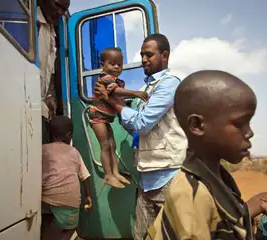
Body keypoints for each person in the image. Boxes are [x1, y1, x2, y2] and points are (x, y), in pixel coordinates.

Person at [146, 70, 267, 239]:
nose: (249, 133)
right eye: (239, 123)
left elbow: (217, 222)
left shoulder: (214, 177)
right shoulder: (191, 196)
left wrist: (253, 205)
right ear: (197, 125)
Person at [94, 34, 188, 239]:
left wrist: (112, 102)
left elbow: (142, 124)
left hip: (168, 178)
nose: (144, 59)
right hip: (146, 179)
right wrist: (114, 107)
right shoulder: (146, 89)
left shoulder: (169, 84)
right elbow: (134, 127)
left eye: (149, 55)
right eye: (142, 55)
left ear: (165, 55)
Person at [89, 47, 148, 189]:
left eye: (120, 64)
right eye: (112, 63)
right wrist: (135, 93)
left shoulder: (118, 81)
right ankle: (108, 175)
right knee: (105, 146)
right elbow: (116, 91)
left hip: (106, 118)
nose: (117, 67)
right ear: (103, 65)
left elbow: (118, 97)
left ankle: (115, 173)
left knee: (112, 146)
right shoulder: (106, 78)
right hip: (97, 116)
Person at [41, 116, 92, 240]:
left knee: (46, 227)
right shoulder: (74, 152)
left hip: (46, 200)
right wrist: (88, 196)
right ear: (69, 135)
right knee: (66, 230)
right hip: (70, 203)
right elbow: (85, 176)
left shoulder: (42, 150)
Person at [37, 0, 70, 144]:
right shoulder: (33, 23)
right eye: (58, 6)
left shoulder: (51, 31)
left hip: (41, 107)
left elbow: (46, 70)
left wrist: (48, 95)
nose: (61, 13)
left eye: (64, 9)